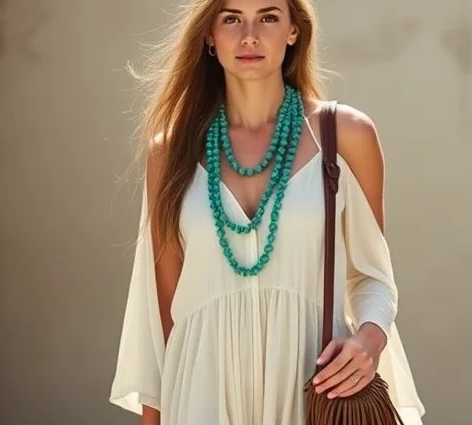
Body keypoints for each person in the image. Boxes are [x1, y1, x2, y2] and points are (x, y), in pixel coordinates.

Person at [109, 0, 424, 424]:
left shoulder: (344, 135)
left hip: (308, 390)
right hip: (201, 394)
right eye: (232, 18)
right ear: (209, 34)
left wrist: (369, 340)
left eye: (269, 17)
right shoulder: (170, 152)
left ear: (294, 31)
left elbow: (372, 277)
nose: (250, 35)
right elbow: (160, 313)